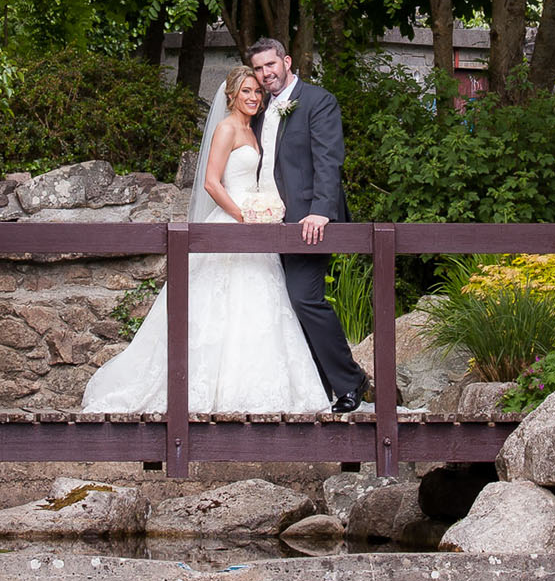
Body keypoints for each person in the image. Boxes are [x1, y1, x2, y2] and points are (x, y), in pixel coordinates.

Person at [81, 66, 329, 414]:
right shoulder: (227, 128)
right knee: (218, 307)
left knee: (260, 306)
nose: (254, 97)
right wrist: (245, 216)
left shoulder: (253, 128)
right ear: (231, 95)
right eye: (246, 91)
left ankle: (258, 390)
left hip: (256, 230)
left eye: (257, 91)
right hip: (232, 222)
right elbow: (213, 183)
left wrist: (265, 211)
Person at [247, 37, 371, 413]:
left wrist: (321, 210)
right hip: (268, 223)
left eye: (271, 65)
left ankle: (350, 381)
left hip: (308, 223)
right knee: (283, 303)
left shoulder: (318, 101)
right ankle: (318, 382)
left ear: (286, 61)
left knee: (304, 297)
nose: (266, 73)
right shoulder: (260, 109)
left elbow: (329, 159)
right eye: (258, 68)